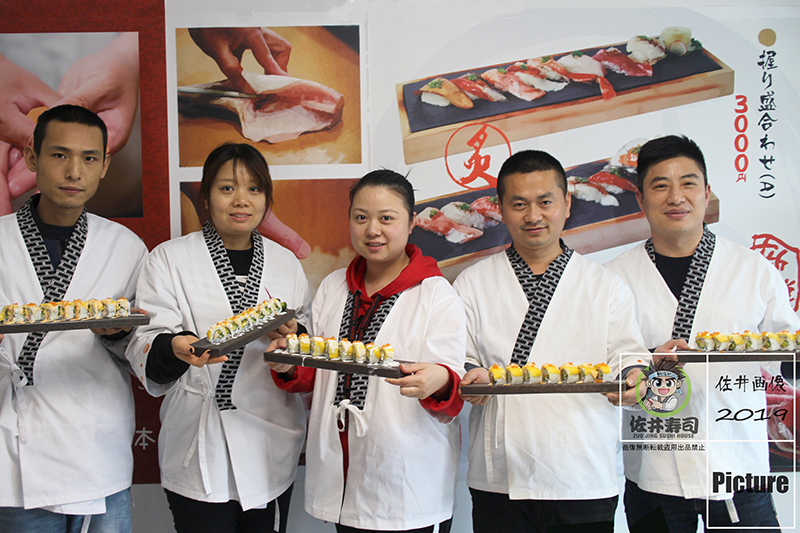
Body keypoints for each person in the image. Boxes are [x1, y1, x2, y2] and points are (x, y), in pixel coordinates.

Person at [604, 134, 798, 532]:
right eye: (661, 186)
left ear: (707, 192)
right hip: (652, 472)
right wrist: (643, 363)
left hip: (739, 469)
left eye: (688, 183)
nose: (676, 197)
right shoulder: (612, 279)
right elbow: (599, 364)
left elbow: (787, 356)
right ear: (640, 199)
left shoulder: (753, 270)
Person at [455, 150, 649, 532]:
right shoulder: (472, 283)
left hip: (582, 473)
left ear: (567, 203)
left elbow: (629, 354)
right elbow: (460, 356)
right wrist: (470, 374)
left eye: (545, 202)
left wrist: (634, 376)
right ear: (501, 209)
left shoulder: (604, 285)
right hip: (501, 478)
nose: (533, 216)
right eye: (519, 204)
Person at [267, 169, 466, 532]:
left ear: (411, 223)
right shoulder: (333, 287)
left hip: (406, 481)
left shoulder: (437, 296)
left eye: (386, 218)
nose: (373, 230)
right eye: (361, 218)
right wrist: (290, 366)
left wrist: (440, 380)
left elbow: (451, 396)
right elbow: (317, 374)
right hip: (342, 477)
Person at [126, 143, 311, 533]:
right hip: (198, 440)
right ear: (206, 196)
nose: (242, 200)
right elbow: (148, 339)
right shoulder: (169, 258)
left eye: (254, 189)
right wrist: (176, 347)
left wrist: (291, 340)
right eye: (227, 188)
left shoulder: (285, 263)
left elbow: (306, 342)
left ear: (266, 199)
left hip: (268, 437)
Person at [0, 104, 148, 532]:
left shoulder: (125, 247)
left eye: (88, 158)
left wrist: (118, 335)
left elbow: (143, 349)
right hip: (16, 451)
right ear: (32, 157)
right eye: (59, 155)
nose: (73, 172)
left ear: (105, 165)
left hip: (95, 445)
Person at [189, 27, 292, 94]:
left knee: (283, 47)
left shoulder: (249, 28)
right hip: (207, 25)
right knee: (235, 73)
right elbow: (231, 68)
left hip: (233, 24)